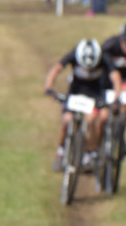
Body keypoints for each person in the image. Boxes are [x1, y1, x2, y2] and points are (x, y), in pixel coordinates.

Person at [43, 38, 112, 171]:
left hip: (93, 95)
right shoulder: (74, 54)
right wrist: (49, 87)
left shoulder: (103, 58)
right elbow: (56, 69)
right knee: (66, 119)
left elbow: (115, 76)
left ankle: (89, 153)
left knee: (91, 120)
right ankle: (61, 151)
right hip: (75, 93)